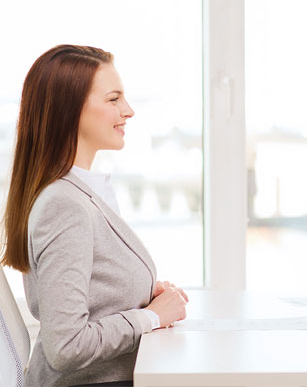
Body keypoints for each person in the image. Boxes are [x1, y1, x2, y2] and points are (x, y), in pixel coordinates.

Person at [0, 45, 189, 387]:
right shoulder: (64, 205)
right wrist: (149, 317)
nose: (128, 111)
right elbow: (67, 346)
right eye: (114, 99)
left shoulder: (80, 193)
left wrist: (144, 297)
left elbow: (91, 295)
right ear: (69, 110)